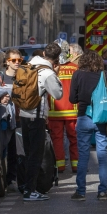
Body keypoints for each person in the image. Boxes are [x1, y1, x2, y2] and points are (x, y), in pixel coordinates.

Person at [19, 43, 63, 201]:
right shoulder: (47, 72)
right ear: (56, 59)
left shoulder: (28, 65)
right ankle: (30, 191)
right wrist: (56, 75)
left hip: (24, 114)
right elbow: (58, 94)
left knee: (28, 152)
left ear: (44, 53)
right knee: (36, 156)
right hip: (36, 116)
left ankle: (26, 185)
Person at [69, 50, 107, 200]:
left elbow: (72, 99)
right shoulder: (105, 75)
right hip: (101, 118)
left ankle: (80, 191)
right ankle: (102, 191)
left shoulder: (78, 74)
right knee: (102, 155)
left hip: (84, 117)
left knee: (83, 155)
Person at [0, 48, 23, 190]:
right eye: (13, 60)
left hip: (19, 119)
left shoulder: (23, 77)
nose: (17, 63)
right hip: (3, 120)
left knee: (16, 152)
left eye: (19, 60)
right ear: (6, 62)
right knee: (2, 150)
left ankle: (12, 180)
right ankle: (1, 179)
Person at [48, 40, 79, 173]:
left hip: (55, 111)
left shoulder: (50, 68)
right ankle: (76, 165)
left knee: (57, 139)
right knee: (74, 139)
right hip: (72, 110)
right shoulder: (75, 68)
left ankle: (59, 166)